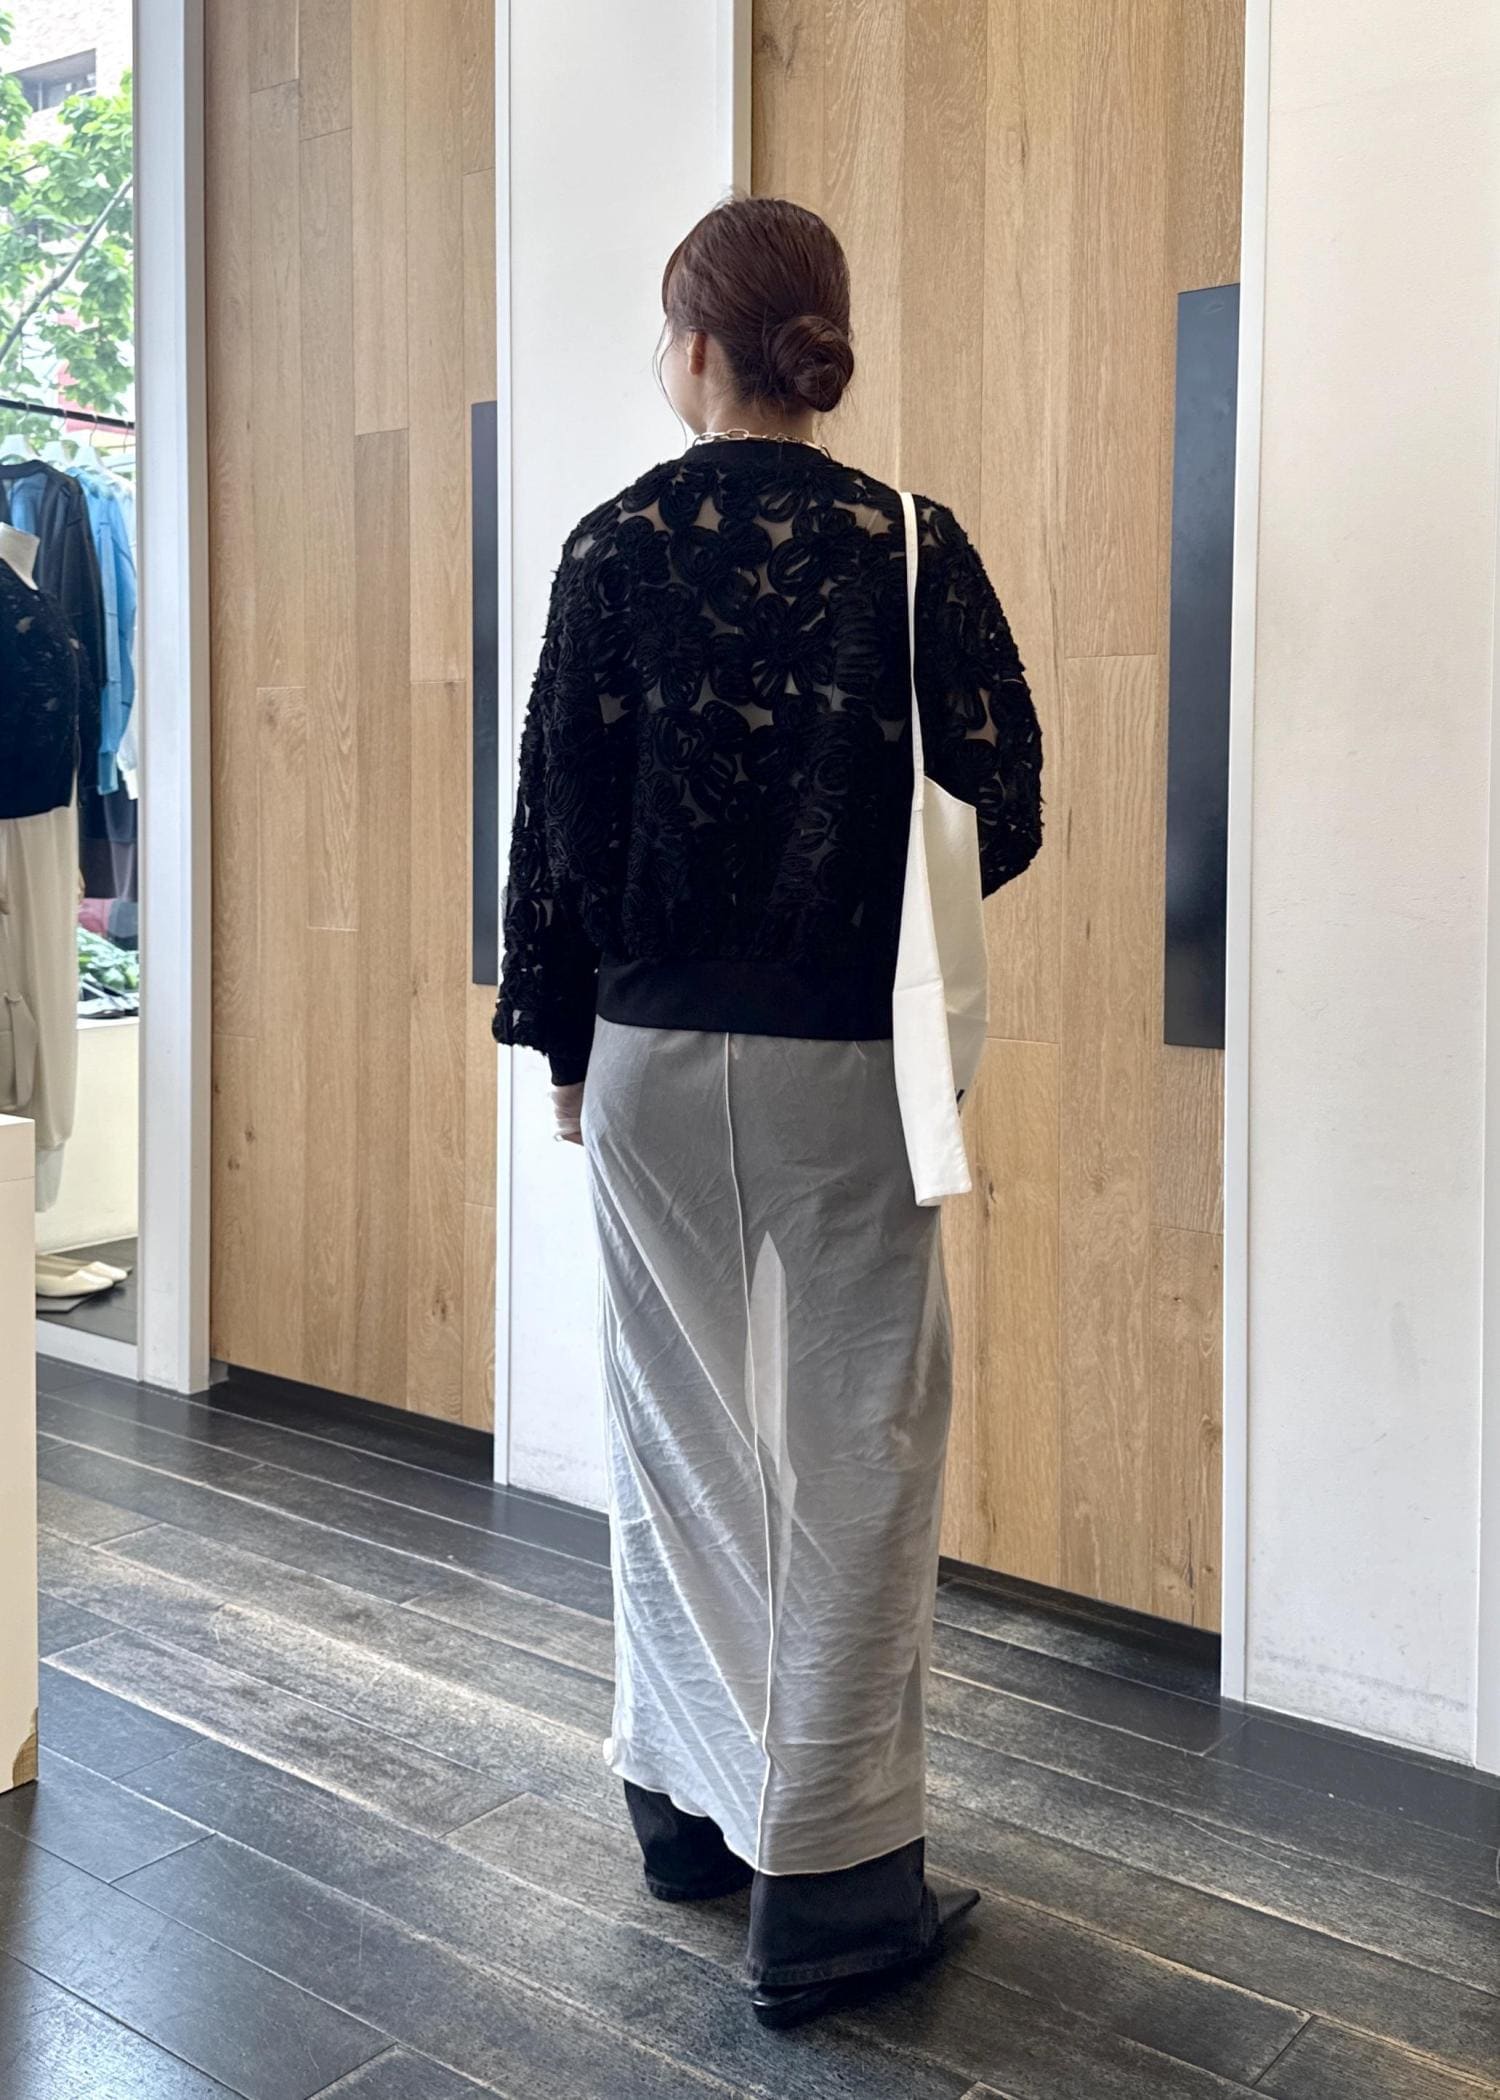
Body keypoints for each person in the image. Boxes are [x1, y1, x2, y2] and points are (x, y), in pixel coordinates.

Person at [494, 194, 1043, 2029]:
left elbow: (554, 825)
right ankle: (835, 1882)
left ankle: (681, 1809)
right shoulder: (909, 544)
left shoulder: (609, 544)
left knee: (678, 1438)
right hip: (848, 1060)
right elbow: (1007, 805)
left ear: (698, 346)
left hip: (649, 1057)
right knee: (860, 1447)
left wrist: (565, 1049)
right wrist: (859, 900)